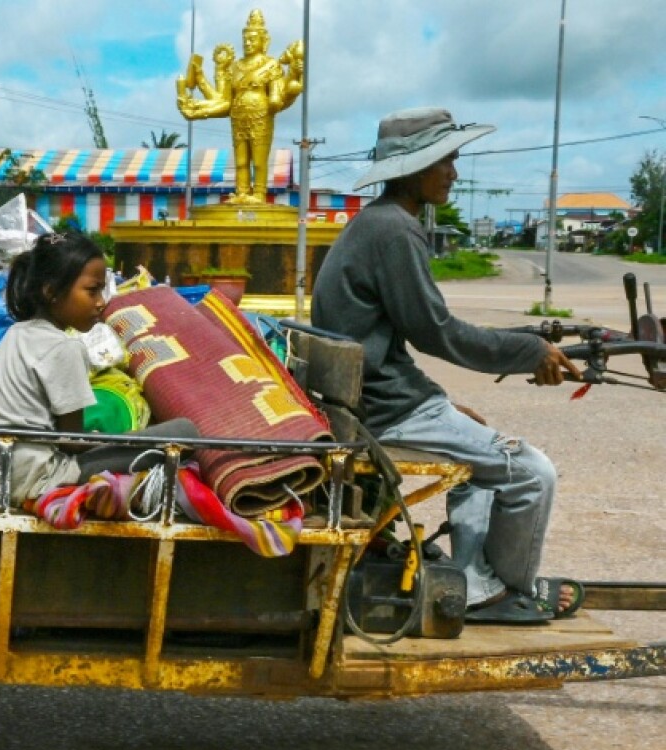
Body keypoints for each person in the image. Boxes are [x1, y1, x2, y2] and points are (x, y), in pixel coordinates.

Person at [310, 107, 584, 624]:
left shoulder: (376, 223)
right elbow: (438, 333)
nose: (453, 173)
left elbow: (394, 347)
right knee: (533, 474)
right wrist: (531, 350)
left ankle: (470, 577)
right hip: (384, 410)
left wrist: (442, 404)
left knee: (478, 440)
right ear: (416, 167)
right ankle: (501, 595)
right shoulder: (395, 231)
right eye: (447, 161)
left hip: (371, 398)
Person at [0, 232, 198, 505]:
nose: (100, 302)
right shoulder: (65, 348)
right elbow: (71, 441)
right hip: (39, 479)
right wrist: (113, 439)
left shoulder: (16, 333)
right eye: (91, 290)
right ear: (51, 292)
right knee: (184, 432)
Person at [177, 9, 304, 203]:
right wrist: (198, 109)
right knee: (241, 160)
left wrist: (278, 97)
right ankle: (242, 191)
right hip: (238, 117)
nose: (248, 43)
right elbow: (224, 100)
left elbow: (277, 94)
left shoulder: (271, 65)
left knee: (259, 161)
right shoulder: (236, 67)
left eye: (253, 39)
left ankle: (259, 193)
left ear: (264, 41)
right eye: (246, 39)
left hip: (260, 116)